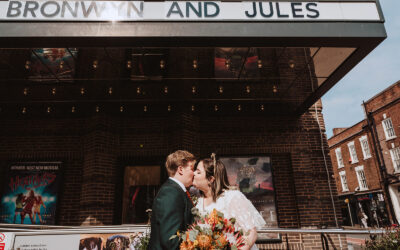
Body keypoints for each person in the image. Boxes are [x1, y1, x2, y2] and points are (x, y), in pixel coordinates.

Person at [193, 154, 266, 250]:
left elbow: (251, 233)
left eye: (198, 172)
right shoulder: (197, 201)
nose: (193, 173)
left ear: (210, 179)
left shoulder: (232, 197)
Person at [149, 150, 196, 250]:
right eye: (192, 168)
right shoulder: (171, 192)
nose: (194, 173)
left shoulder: (177, 191)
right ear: (180, 169)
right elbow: (170, 240)